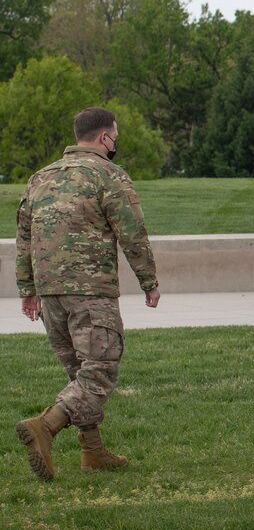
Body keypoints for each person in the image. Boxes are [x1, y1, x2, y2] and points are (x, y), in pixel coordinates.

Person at [14, 107, 160, 481]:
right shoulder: (108, 175)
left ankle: (93, 452)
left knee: (79, 372)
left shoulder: (40, 178)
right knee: (98, 373)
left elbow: (25, 237)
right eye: (116, 137)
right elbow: (132, 233)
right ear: (105, 138)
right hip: (90, 292)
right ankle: (45, 427)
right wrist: (149, 281)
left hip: (50, 294)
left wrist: (28, 289)